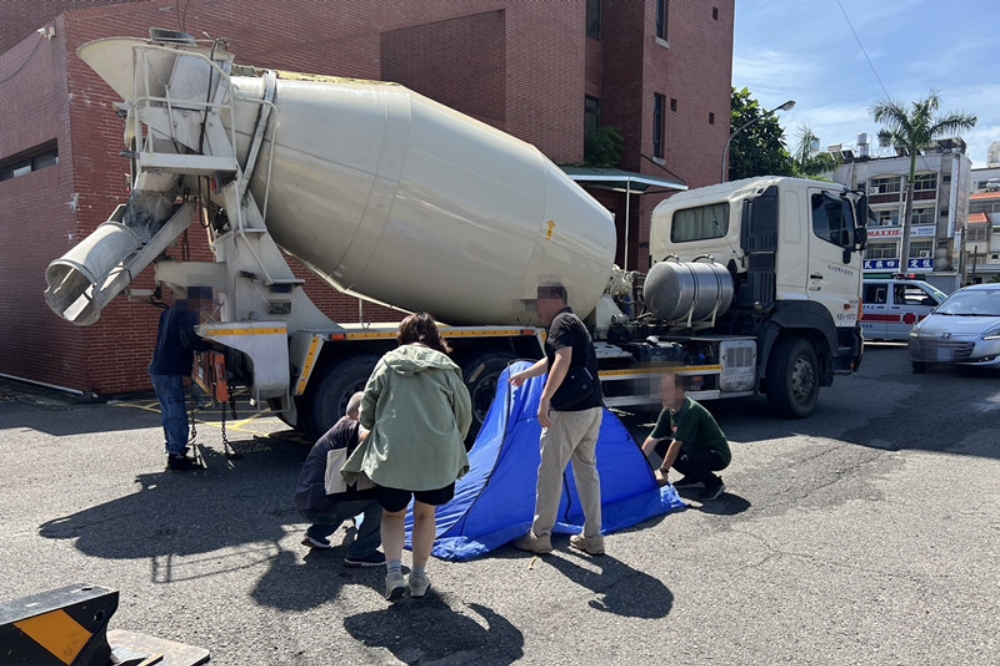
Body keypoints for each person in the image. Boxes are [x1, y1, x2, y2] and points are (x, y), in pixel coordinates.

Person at [341, 313, 472, 601]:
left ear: (403, 335)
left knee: (392, 514)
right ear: (434, 336)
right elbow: (463, 416)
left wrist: (370, 428)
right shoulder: (447, 367)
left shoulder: (387, 362)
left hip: (393, 456)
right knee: (426, 513)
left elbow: (368, 409)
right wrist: (452, 443)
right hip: (435, 456)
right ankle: (419, 576)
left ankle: (392, 575)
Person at [509, 282, 605, 556]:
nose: (536, 309)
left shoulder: (560, 322)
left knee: (550, 472)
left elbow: (562, 360)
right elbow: (554, 361)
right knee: (587, 472)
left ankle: (540, 535)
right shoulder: (575, 322)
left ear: (554, 299)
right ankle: (593, 537)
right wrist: (526, 375)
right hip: (592, 408)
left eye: (539, 302)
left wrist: (544, 399)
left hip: (570, 412)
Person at [294, 392, 385, 567]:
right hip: (324, 503)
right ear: (361, 413)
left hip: (309, 502)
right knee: (381, 498)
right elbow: (367, 437)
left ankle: (316, 534)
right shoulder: (351, 427)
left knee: (346, 492)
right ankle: (362, 553)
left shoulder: (339, 428)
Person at [148, 286, 215, 471]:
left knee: (169, 413)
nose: (204, 307)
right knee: (176, 413)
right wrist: (212, 346)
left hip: (159, 369)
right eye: (205, 303)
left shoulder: (168, 313)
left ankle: (173, 449)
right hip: (169, 370)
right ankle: (177, 456)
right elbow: (188, 339)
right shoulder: (188, 311)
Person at [640, 374, 731, 501]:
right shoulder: (668, 410)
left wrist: (663, 471)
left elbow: (676, 444)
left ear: (679, 392)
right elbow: (653, 438)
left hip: (717, 455)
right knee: (661, 445)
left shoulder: (690, 410)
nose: (661, 394)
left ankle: (715, 484)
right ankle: (693, 476)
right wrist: (638, 463)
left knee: (688, 459)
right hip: (695, 449)